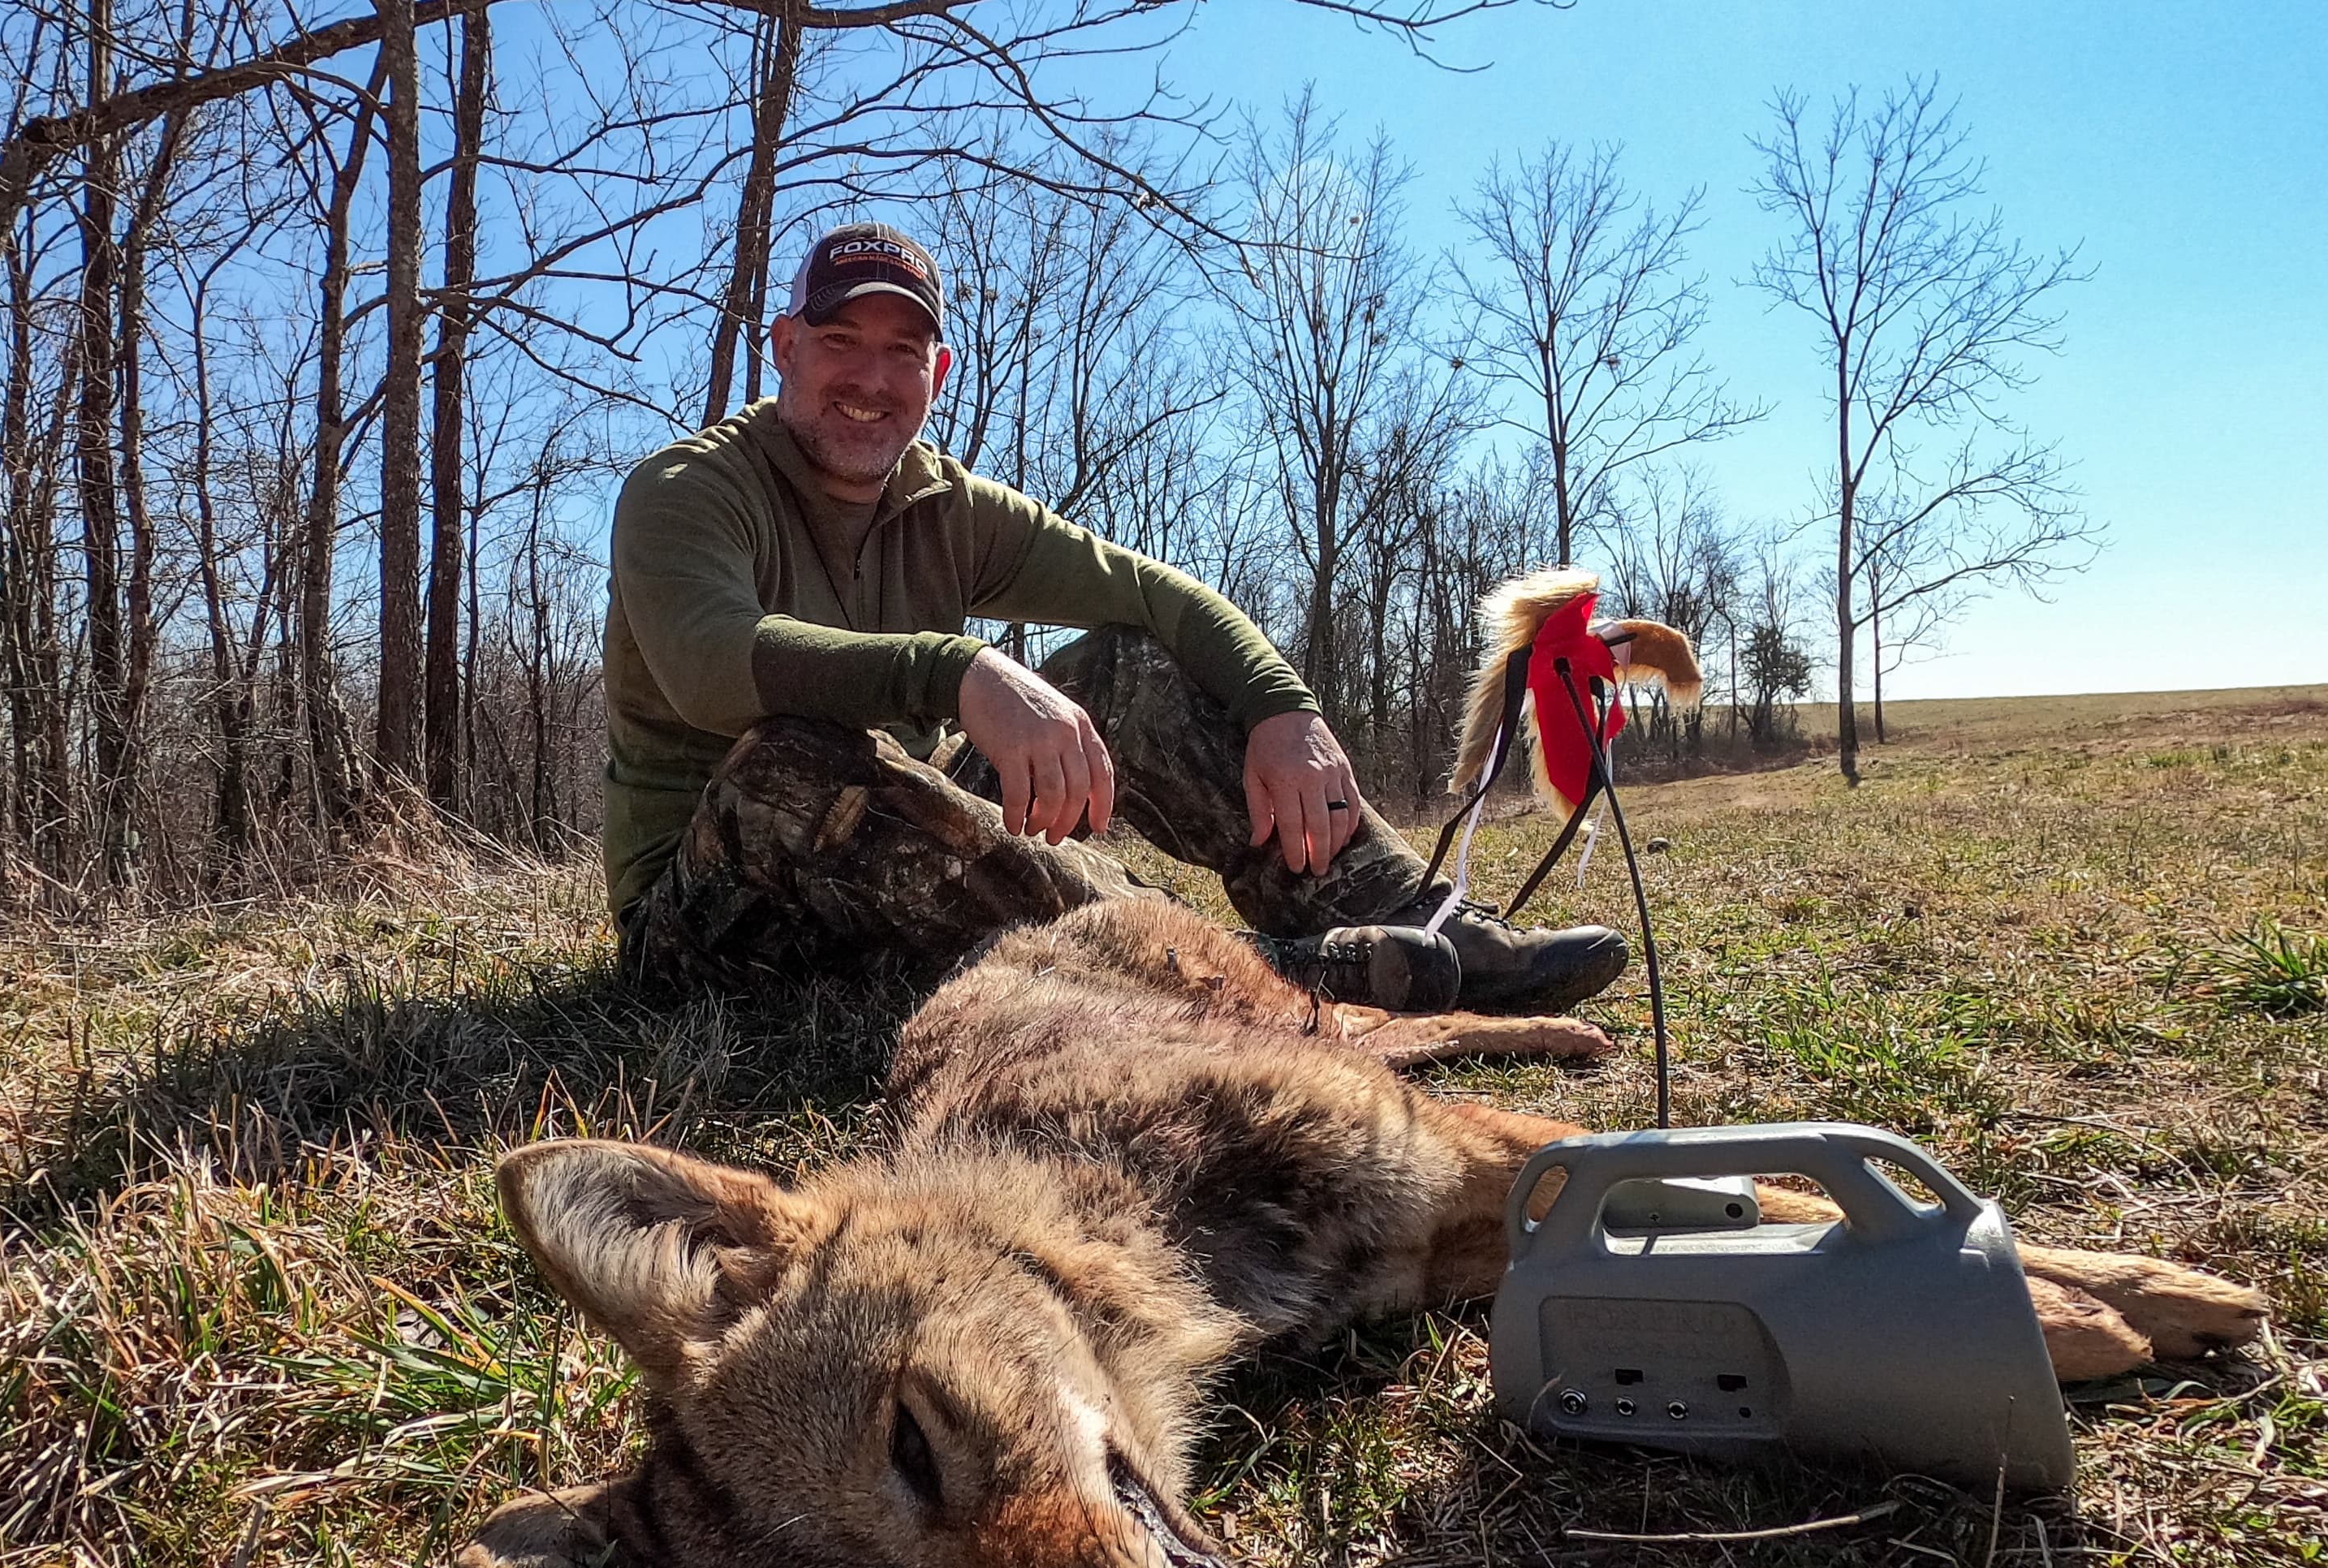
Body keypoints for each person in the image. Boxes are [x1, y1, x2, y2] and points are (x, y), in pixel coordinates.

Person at [601, 219, 1631, 1015]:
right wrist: (959, 670)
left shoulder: (946, 507)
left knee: (1124, 665)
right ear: (783, 347)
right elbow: (706, 663)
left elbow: (1156, 593)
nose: (869, 379)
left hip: (905, 860)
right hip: (712, 922)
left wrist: (1284, 708)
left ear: (939, 373)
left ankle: (1414, 920)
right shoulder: (687, 490)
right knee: (791, 759)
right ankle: (1272, 977)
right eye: (838, 340)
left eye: (902, 352)